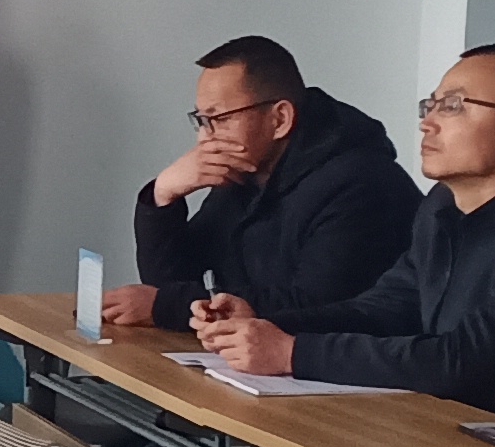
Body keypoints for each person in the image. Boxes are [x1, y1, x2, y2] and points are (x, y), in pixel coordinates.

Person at [192, 43, 495, 435]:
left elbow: (461, 361)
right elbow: (387, 308)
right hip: (452, 428)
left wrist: (290, 352)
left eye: (453, 106)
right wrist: (265, 322)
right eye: (430, 106)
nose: (428, 123)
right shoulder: (443, 204)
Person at [106, 34, 416, 331]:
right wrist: (163, 195)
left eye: (219, 119)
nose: (204, 138)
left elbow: (317, 308)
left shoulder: (361, 185)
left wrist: (166, 306)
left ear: (280, 119)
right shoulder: (247, 172)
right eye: (201, 120)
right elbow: (172, 283)